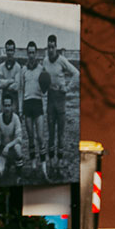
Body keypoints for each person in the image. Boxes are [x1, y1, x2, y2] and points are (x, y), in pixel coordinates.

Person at [44, 35, 75, 168]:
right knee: (51, 132)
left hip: (60, 99)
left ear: (56, 47)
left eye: (52, 47)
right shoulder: (45, 61)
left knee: (60, 133)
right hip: (50, 98)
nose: (50, 50)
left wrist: (67, 87)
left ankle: (60, 159)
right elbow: (43, 78)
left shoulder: (62, 60)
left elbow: (76, 73)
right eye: (49, 47)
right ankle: (51, 160)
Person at [21, 41, 46, 164]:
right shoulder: (23, 69)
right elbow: (21, 90)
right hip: (27, 104)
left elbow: (45, 88)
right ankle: (33, 164)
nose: (31, 55)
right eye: (29, 53)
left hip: (37, 103)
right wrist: (21, 108)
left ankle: (44, 165)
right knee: (30, 137)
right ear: (27, 53)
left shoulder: (41, 69)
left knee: (40, 137)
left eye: (33, 53)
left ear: (36, 53)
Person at [0, 94, 26, 178]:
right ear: (2, 106)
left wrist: (8, 146)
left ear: (12, 106)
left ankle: (19, 174)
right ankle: (0, 167)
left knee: (17, 147)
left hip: (12, 148)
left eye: (9, 106)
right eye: (5, 105)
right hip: (3, 149)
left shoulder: (16, 118)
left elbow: (19, 138)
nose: (7, 108)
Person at [0, 39, 24, 111]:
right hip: (3, 100)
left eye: (11, 50)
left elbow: (16, 86)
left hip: (14, 101)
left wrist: (4, 83)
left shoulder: (17, 67)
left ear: (14, 51)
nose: (9, 53)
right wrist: (11, 81)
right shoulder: (1, 66)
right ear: (5, 51)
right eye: (8, 50)